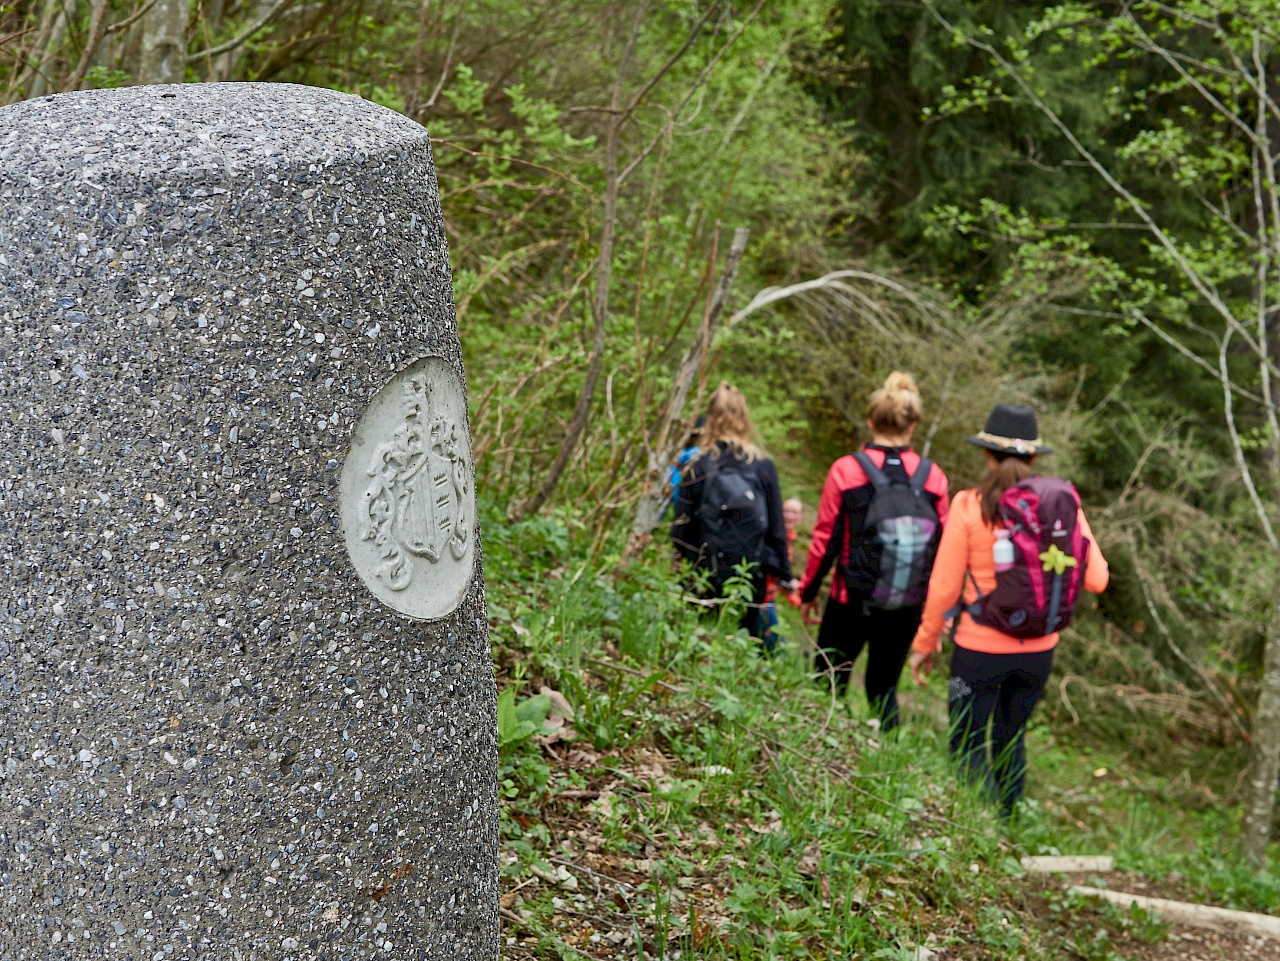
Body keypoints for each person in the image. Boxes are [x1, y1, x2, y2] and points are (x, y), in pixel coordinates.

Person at [908, 403, 1109, 819]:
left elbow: (944, 587)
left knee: (966, 742)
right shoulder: (1061, 504)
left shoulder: (969, 504)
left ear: (986, 453)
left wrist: (925, 644)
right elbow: (1098, 579)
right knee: (1010, 739)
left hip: (977, 650)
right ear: (1034, 457)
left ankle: (973, 830)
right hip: (1038, 652)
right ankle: (1009, 824)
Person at [798, 372, 950, 730]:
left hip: (848, 599)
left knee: (828, 681)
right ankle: (888, 762)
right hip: (906, 604)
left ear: (870, 422)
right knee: (884, 690)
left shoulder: (846, 470)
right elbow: (941, 552)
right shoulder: (934, 477)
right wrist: (936, 615)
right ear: (913, 425)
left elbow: (825, 539)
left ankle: (817, 746)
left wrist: (808, 591)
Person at [672, 383, 795, 640]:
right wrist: (784, 573)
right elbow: (776, 528)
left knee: (697, 637)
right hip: (751, 572)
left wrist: (680, 559)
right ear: (744, 418)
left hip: (703, 570)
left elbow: (681, 525)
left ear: (711, 417)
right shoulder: (762, 464)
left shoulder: (699, 463)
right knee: (745, 639)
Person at [761, 498, 805, 652]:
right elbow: (776, 572)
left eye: (795, 512)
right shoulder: (771, 535)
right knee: (780, 648)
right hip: (762, 598)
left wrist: (797, 600)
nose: (790, 516)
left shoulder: (789, 539)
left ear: (801, 517)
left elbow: (780, 578)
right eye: (786, 511)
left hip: (769, 597)